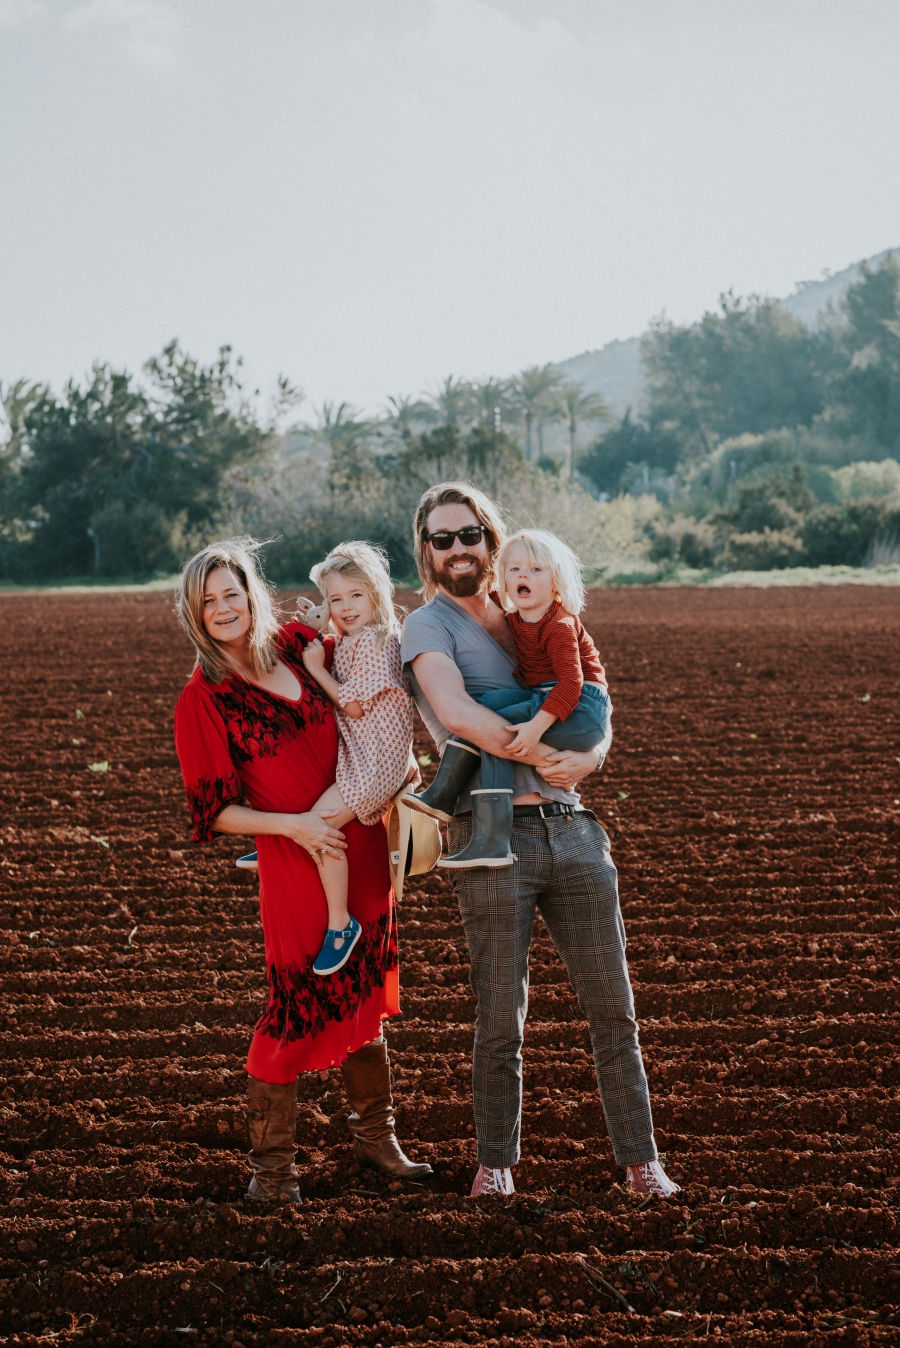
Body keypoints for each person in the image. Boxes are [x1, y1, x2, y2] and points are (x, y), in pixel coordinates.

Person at [400, 483, 680, 1199]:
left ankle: (641, 1161)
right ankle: (495, 1166)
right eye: (442, 539)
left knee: (613, 1007)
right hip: (492, 837)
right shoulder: (427, 628)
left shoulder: (539, 606)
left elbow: (593, 695)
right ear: (426, 553)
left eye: (469, 535)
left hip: (575, 830)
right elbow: (459, 715)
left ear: (491, 540)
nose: (458, 549)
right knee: (502, 1017)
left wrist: (594, 753)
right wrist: (561, 750)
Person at [173, 537, 431, 1204]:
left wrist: (396, 760)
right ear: (194, 615)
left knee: (362, 993)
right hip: (297, 859)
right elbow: (214, 812)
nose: (223, 608)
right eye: (208, 602)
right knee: (293, 1008)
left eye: (232, 592)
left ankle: (379, 1144)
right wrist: (295, 826)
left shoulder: (294, 644)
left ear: (252, 592)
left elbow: (370, 670)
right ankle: (274, 1175)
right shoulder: (205, 697)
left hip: (363, 840)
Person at [405, 528, 612, 869]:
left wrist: (538, 733)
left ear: (557, 582)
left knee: (497, 721)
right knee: (486, 709)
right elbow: (460, 715)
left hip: (580, 708)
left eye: (535, 570)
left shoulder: (557, 625)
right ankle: (454, 804)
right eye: (514, 570)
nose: (523, 576)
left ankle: (484, 831)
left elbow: (575, 685)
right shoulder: (513, 613)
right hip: (556, 702)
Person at [299, 542, 417, 975]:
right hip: (370, 753)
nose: (345, 607)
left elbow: (353, 706)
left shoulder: (371, 640)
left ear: (376, 596)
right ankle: (284, 842)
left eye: (355, 595)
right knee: (315, 822)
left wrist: (316, 670)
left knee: (317, 828)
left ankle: (340, 924)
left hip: (376, 760)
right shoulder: (354, 638)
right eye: (335, 599)